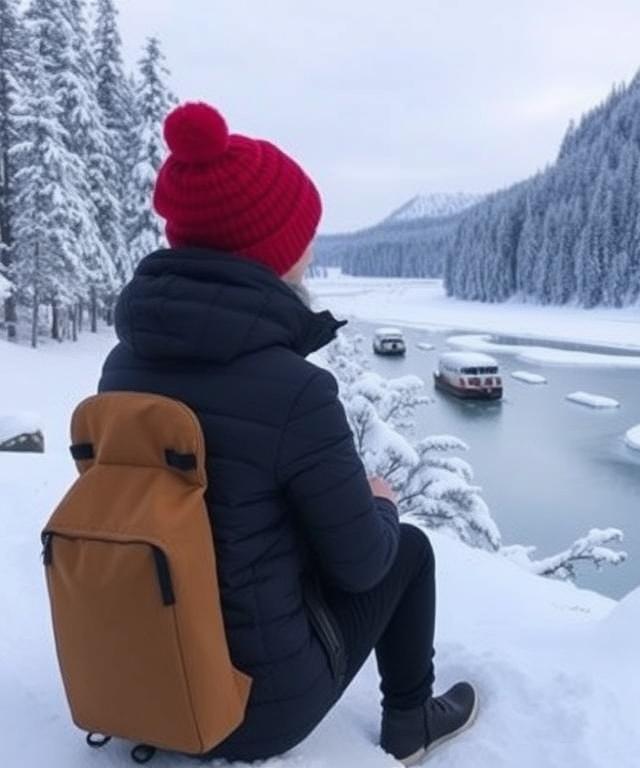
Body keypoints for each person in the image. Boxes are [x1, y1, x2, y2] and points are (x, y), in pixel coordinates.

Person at [98, 102, 477, 764]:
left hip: (144, 677)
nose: (310, 249)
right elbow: (363, 566)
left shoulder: (120, 365)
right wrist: (380, 505)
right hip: (253, 709)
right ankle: (410, 722)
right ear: (267, 252)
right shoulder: (294, 391)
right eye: (303, 235)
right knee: (409, 550)